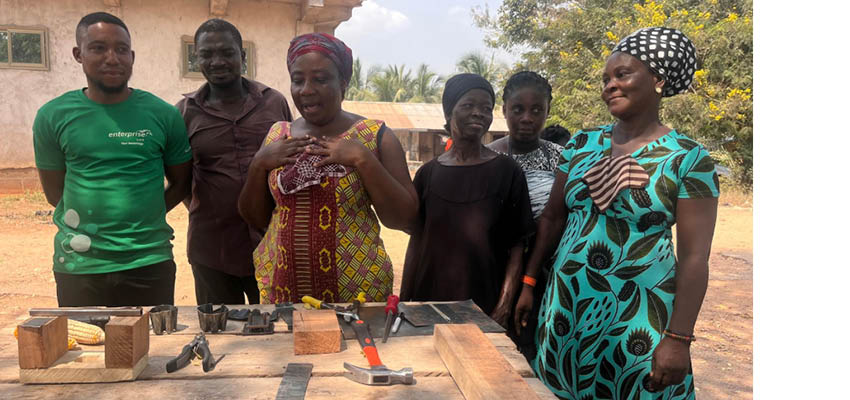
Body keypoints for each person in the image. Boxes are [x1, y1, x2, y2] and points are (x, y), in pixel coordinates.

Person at [515, 27, 719, 399]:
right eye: (606, 79)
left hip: (640, 320)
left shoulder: (688, 158)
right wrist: (530, 284)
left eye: (622, 74)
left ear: (658, 79)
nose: (610, 85)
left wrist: (678, 338)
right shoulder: (581, 143)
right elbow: (553, 219)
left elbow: (694, 258)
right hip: (566, 310)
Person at [238, 33, 417, 304]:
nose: (306, 89)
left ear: (343, 83)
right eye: (298, 80)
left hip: (357, 293)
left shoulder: (375, 135)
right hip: (284, 290)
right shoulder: (278, 135)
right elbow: (256, 218)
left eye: (320, 79)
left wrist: (363, 159)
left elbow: (403, 218)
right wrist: (259, 164)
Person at [32, 12, 192, 307]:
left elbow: (182, 183)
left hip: (149, 261)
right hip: (80, 265)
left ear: (132, 56)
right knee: (82, 352)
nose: (112, 58)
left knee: (154, 351)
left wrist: (144, 217)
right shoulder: (53, 116)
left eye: (121, 49)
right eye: (98, 48)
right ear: (78, 54)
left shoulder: (162, 114)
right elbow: (55, 193)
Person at [400, 73, 535, 328]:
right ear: (450, 112)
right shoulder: (428, 174)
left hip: (484, 303)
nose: (479, 113)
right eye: (468, 105)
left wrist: (504, 306)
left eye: (486, 108)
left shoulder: (507, 172)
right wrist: (404, 301)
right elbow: (417, 241)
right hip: (428, 301)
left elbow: (517, 246)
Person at [176, 19, 292, 305]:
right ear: (196, 58)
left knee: (275, 330)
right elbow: (180, 179)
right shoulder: (183, 113)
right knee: (219, 330)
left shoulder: (273, 103)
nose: (217, 61)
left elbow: (290, 162)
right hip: (212, 251)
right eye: (206, 54)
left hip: (272, 244)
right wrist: (207, 207)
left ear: (242, 56)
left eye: (227, 52)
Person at [486, 71, 563, 359]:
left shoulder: (562, 159)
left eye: (536, 110)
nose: (527, 118)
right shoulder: (488, 157)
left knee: (535, 351)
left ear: (547, 112)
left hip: (546, 272)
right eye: (518, 109)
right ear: (504, 111)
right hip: (495, 269)